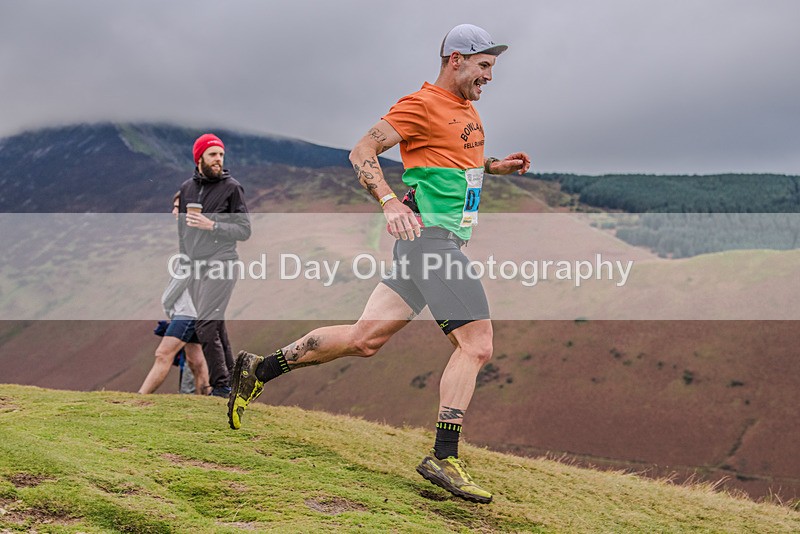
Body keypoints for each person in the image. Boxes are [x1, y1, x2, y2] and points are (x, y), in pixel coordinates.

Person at [228, 24, 530, 504]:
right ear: (456, 59)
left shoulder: (466, 111)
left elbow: (453, 158)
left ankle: (258, 370)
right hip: (431, 242)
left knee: (364, 338)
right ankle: (444, 456)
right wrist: (390, 201)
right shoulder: (420, 104)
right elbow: (362, 150)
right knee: (476, 345)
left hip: (427, 245)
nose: (490, 76)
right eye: (485, 66)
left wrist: (495, 167)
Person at [178, 134, 251, 397]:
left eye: (221, 154)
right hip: (196, 266)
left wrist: (213, 226)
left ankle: (221, 386)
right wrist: (183, 259)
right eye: (212, 155)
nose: (218, 159)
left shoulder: (232, 188)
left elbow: (244, 230)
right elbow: (182, 230)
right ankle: (236, 381)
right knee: (216, 325)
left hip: (223, 263)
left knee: (205, 325)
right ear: (199, 158)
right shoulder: (187, 189)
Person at [138, 193, 210, 395]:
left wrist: (167, 302)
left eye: (177, 207)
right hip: (193, 308)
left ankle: (137, 399)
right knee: (195, 360)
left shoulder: (193, 237)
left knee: (163, 354)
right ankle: (207, 403)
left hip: (187, 310)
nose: (173, 212)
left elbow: (184, 276)